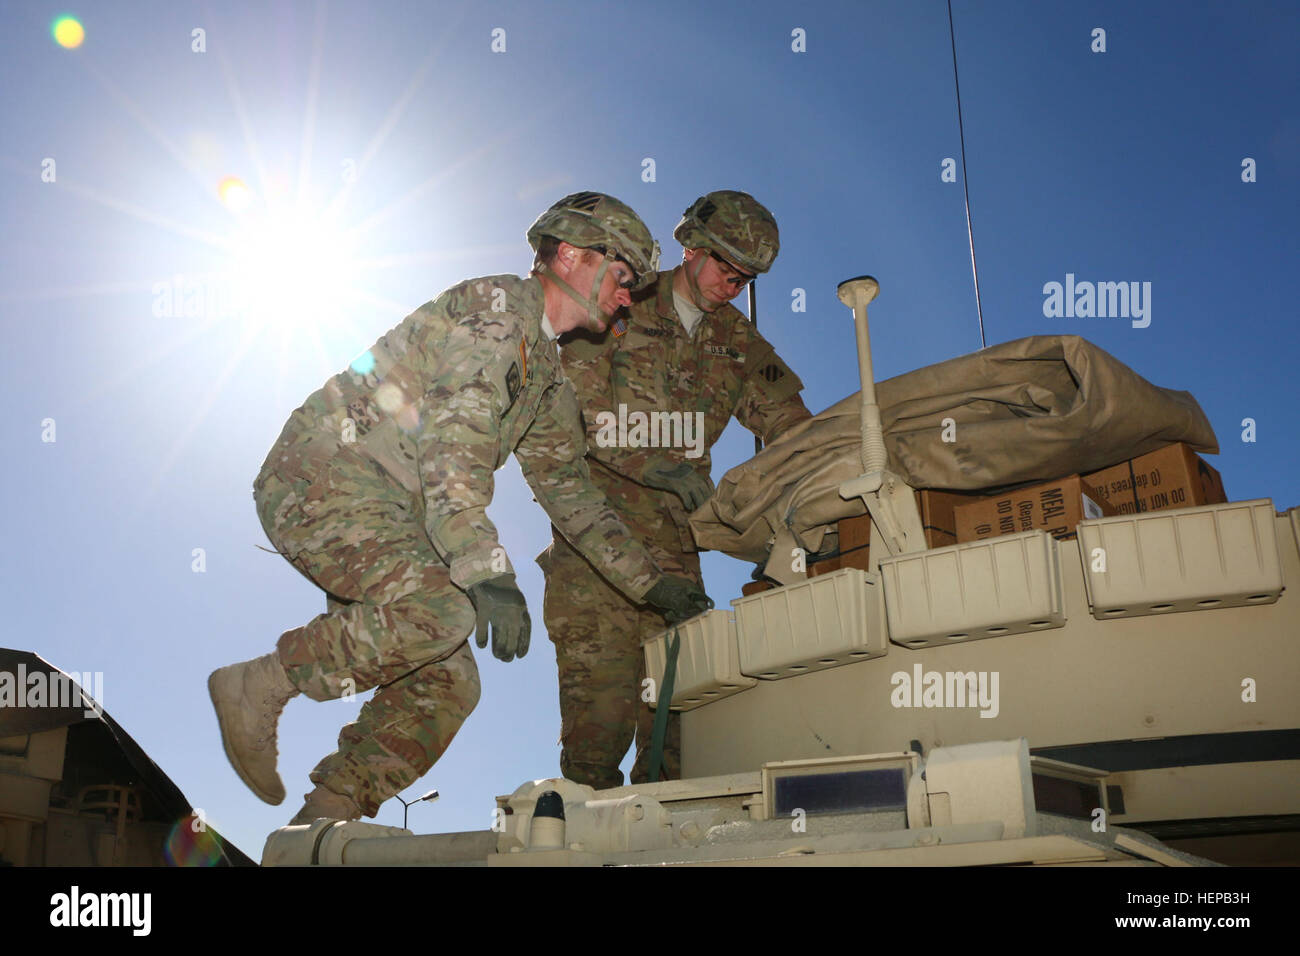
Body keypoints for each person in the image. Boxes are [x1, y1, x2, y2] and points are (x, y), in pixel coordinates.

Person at [209, 191, 711, 825]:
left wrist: (656, 586)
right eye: (620, 276)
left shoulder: (547, 384)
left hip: (390, 515)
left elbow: (574, 495)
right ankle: (261, 682)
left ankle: (323, 820)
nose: (626, 295)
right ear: (574, 255)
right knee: (442, 609)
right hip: (324, 478)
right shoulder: (498, 309)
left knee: (448, 683)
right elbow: (455, 440)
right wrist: (485, 569)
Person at [543, 190, 813, 789]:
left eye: (745, 279)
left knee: (679, 736)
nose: (731, 286)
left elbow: (795, 431)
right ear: (691, 246)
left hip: (677, 557)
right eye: (725, 268)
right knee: (595, 738)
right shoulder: (617, 300)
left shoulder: (739, 344)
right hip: (596, 551)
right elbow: (561, 415)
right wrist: (650, 462)